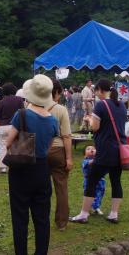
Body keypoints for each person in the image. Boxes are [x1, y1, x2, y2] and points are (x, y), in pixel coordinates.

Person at [5, 74, 59, 255]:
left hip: (21, 169)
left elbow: (8, 142)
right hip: (42, 170)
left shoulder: (21, 115)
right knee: (42, 218)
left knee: (20, 217)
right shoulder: (53, 120)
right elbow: (50, 146)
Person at [71, 79, 126, 224]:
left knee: (91, 180)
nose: (95, 94)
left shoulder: (101, 105)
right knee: (116, 181)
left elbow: (95, 127)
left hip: (105, 149)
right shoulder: (121, 105)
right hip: (119, 149)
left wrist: (89, 120)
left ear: (100, 90)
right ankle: (114, 214)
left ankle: (84, 214)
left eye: (96, 91)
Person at [46, 79, 73, 231]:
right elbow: (67, 136)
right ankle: (61, 222)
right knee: (61, 188)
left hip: (39, 151)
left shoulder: (31, 106)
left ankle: (41, 218)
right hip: (57, 150)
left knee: (41, 188)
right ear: (56, 92)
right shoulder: (61, 109)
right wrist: (69, 158)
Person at [0, 83, 24, 174]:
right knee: (16, 146)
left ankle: (2, 167)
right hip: (15, 126)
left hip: (3, 126)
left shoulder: (1, 101)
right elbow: (22, 113)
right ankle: (16, 166)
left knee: (3, 147)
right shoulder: (19, 100)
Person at [81, 146, 105, 215]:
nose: (91, 149)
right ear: (85, 154)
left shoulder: (98, 160)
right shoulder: (85, 161)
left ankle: (96, 207)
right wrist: (97, 157)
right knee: (89, 194)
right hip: (88, 181)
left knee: (99, 194)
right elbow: (90, 163)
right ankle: (88, 208)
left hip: (100, 181)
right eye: (88, 149)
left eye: (93, 148)